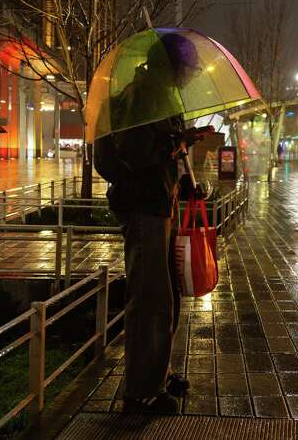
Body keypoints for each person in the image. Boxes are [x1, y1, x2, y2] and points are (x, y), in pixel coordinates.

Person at [93, 33, 201, 415]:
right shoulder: (145, 94)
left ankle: (159, 371)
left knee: (167, 293)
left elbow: (166, 153)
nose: (193, 74)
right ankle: (140, 392)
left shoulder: (164, 97)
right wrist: (177, 143)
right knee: (150, 297)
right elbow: (140, 154)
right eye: (189, 67)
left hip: (161, 203)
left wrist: (187, 181)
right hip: (143, 207)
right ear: (171, 66)